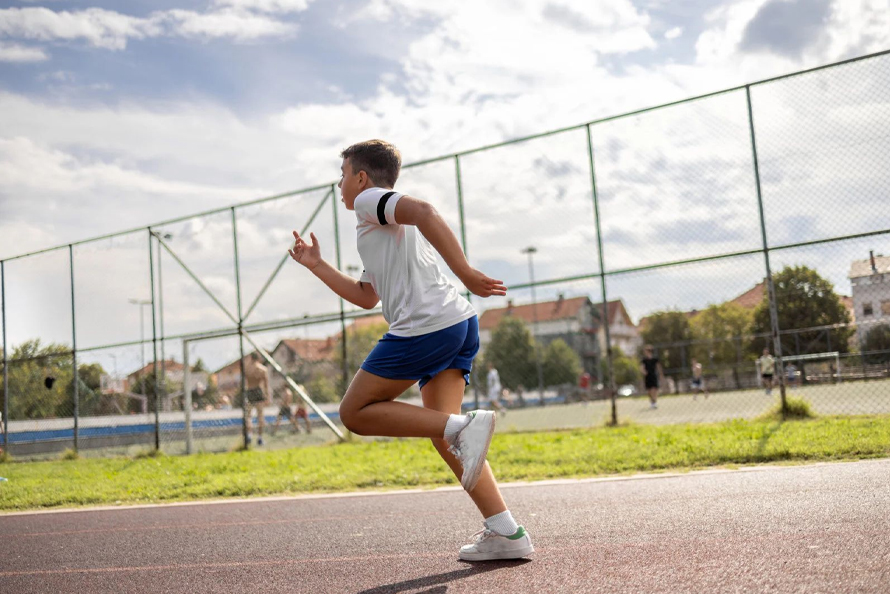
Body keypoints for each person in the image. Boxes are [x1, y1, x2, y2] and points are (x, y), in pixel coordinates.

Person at [288, 139, 533, 561]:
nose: (340, 185)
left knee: (354, 413)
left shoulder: (369, 201)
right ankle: (506, 532)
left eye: (343, 175)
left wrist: (467, 273)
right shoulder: (379, 225)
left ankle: (465, 428)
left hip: (425, 328)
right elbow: (367, 296)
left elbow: (424, 212)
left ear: (361, 177)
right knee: (446, 433)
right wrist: (317, 265)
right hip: (456, 323)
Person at [243, 352, 270, 446]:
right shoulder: (262, 369)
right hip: (258, 391)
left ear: (251, 358)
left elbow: (244, 382)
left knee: (248, 416)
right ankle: (260, 438)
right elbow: (266, 385)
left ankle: (249, 435)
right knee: (260, 416)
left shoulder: (247, 369)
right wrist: (268, 397)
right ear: (258, 358)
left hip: (249, 391)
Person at [640, 345, 663, 409]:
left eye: (646, 351)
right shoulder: (644, 360)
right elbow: (641, 367)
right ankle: (652, 402)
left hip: (653, 375)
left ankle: (654, 403)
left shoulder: (655, 359)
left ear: (649, 351)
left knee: (654, 389)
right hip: (647, 376)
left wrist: (661, 375)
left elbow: (659, 367)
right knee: (649, 391)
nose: (645, 352)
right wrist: (644, 372)